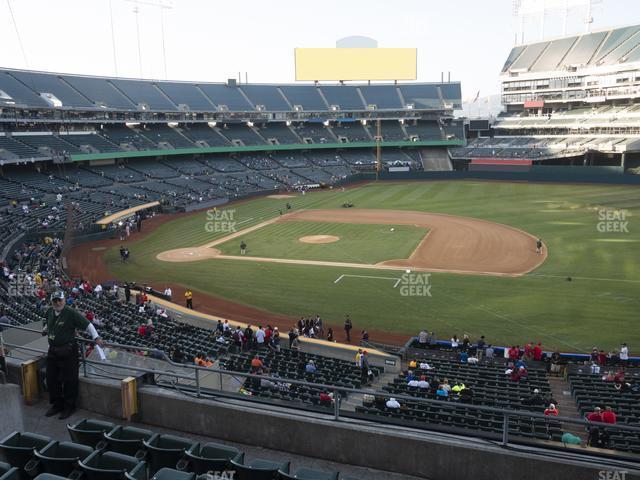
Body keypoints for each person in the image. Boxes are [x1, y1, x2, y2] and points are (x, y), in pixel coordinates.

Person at [43, 290, 103, 419]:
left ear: (64, 300)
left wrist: (96, 337)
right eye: (55, 300)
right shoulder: (49, 311)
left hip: (68, 350)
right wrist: (45, 330)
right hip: (53, 350)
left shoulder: (70, 313)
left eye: (59, 300)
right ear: (52, 302)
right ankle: (57, 405)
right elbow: (48, 324)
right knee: (51, 379)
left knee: (69, 380)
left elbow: (88, 325)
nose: (57, 302)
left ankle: (69, 407)